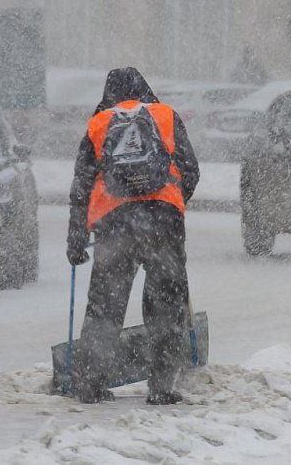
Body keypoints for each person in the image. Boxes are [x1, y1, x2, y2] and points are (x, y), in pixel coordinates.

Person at [67, 66, 200, 405]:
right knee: (165, 304)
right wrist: (172, 203)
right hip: (162, 222)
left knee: (105, 305)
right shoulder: (165, 116)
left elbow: (82, 186)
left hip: (115, 223)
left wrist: (77, 238)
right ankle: (161, 386)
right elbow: (191, 169)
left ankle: (89, 384)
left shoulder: (99, 124)